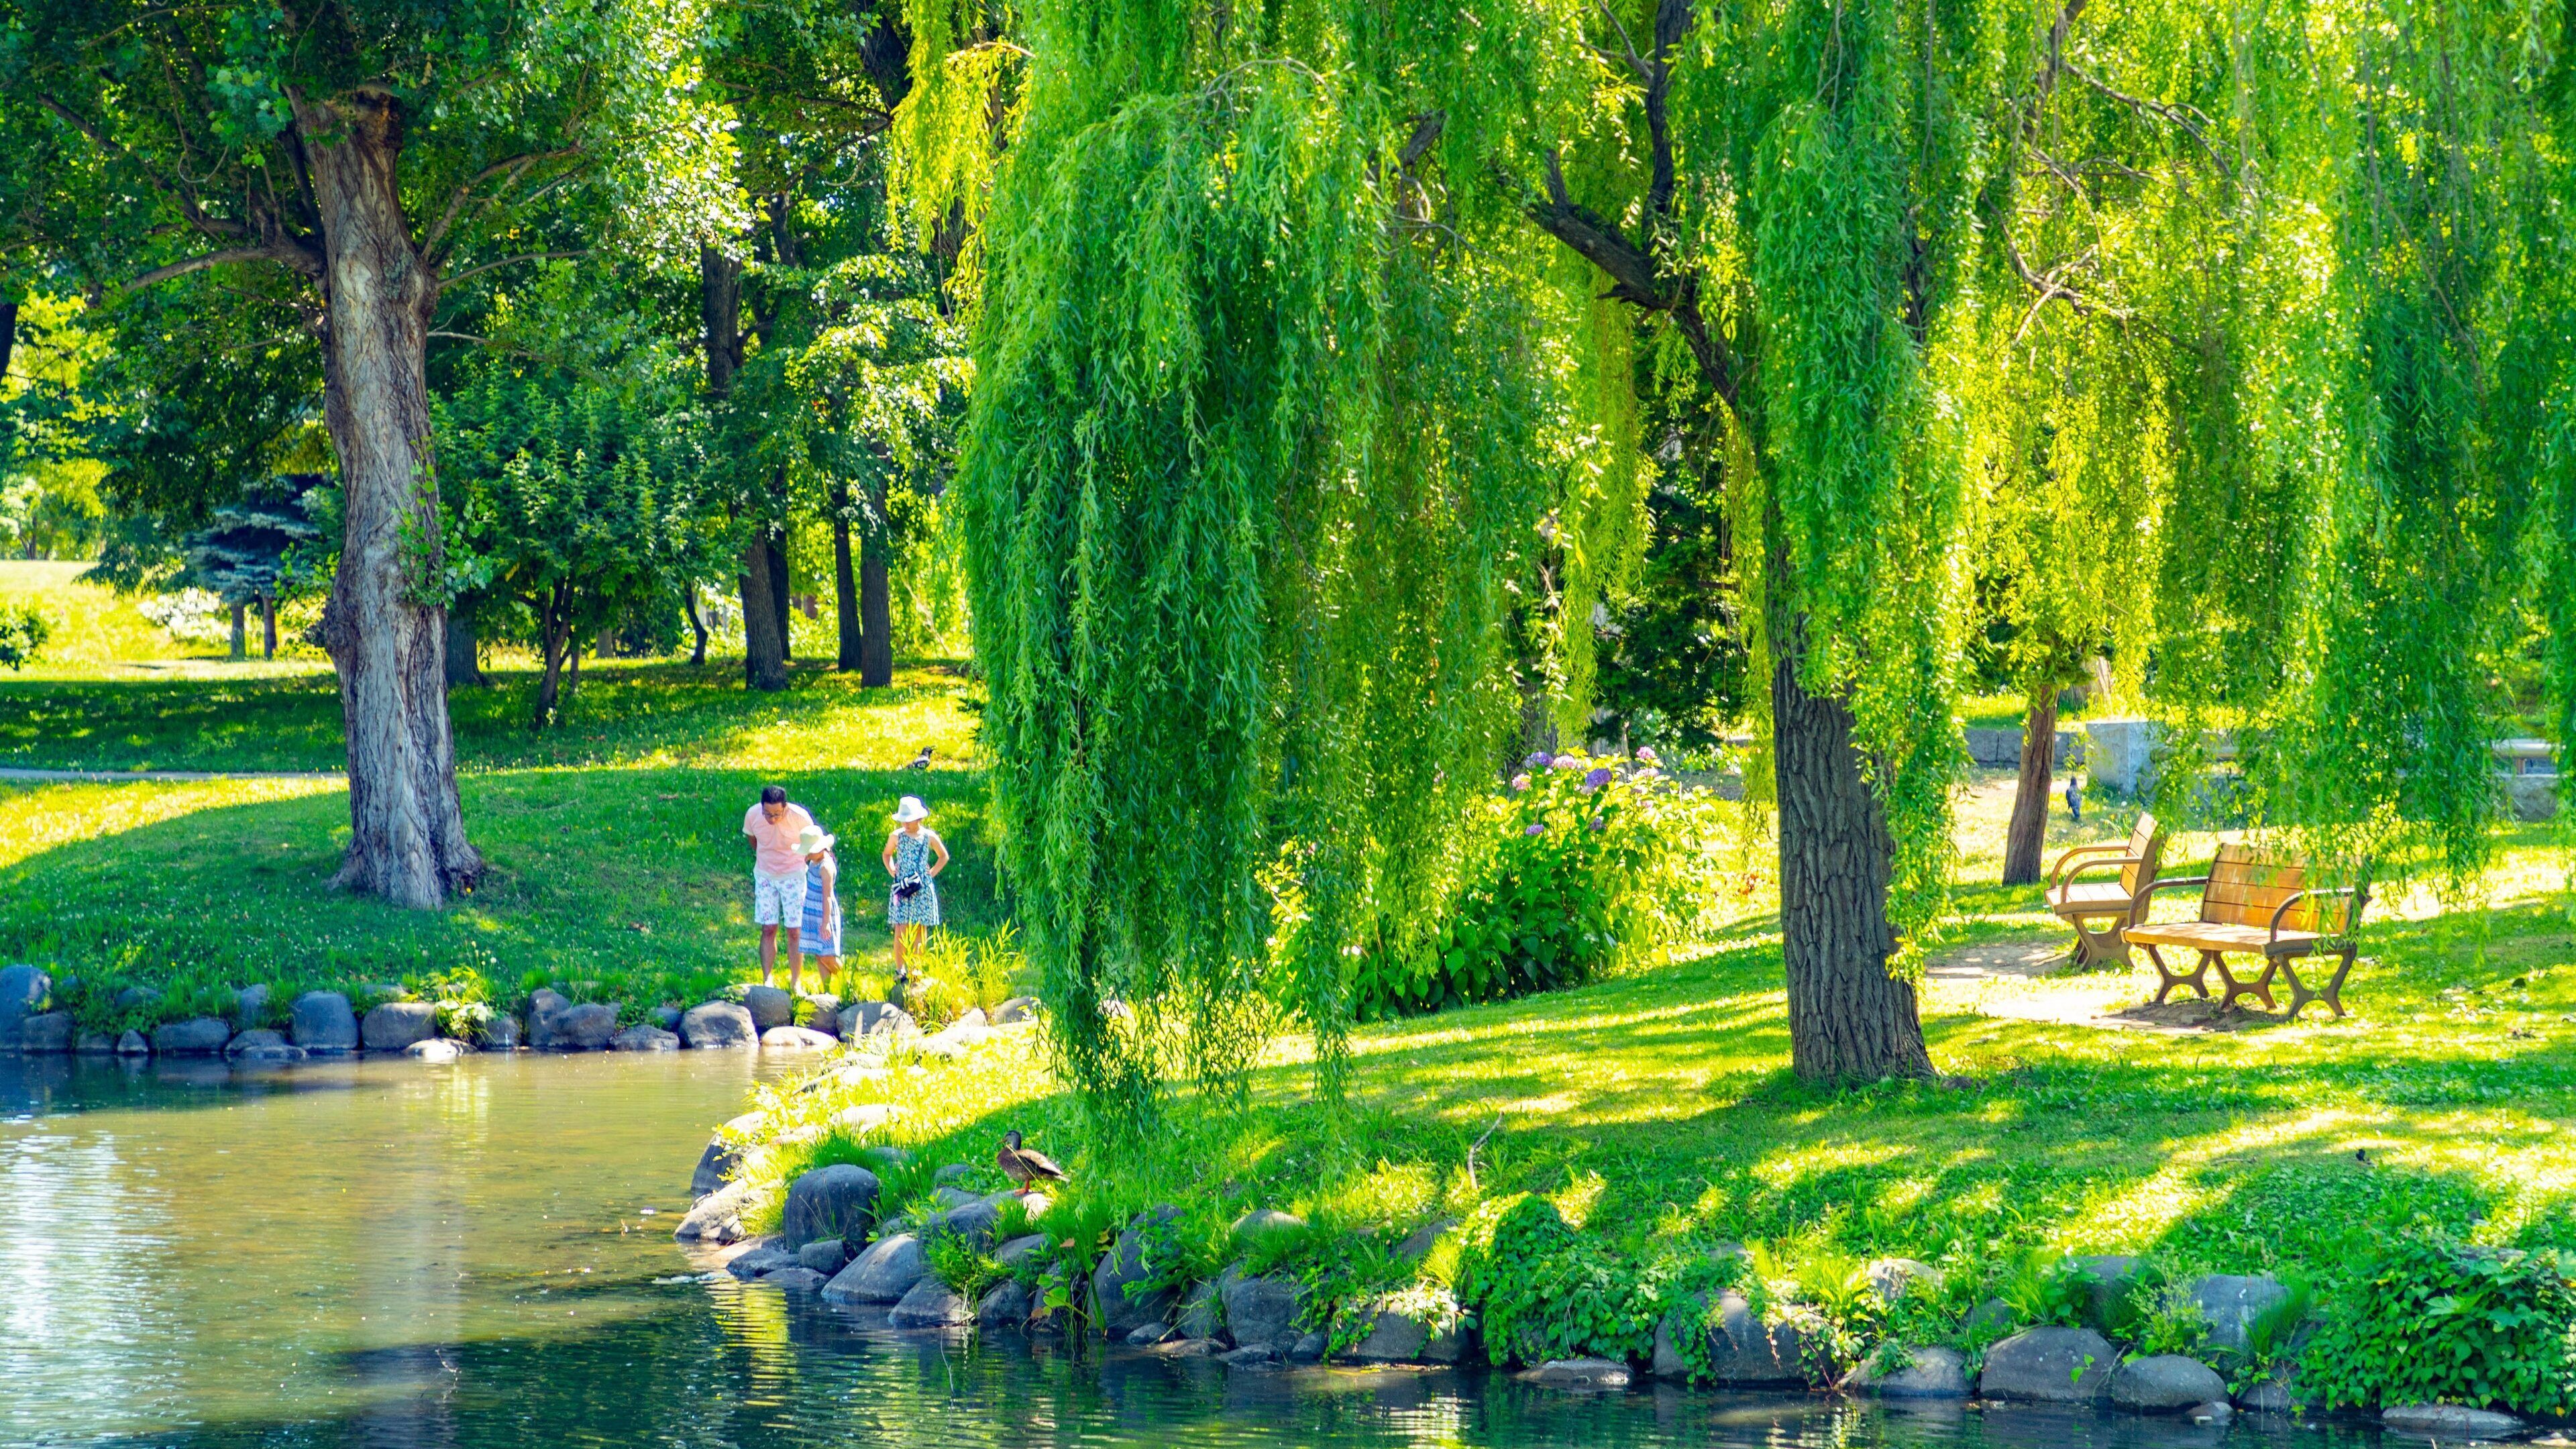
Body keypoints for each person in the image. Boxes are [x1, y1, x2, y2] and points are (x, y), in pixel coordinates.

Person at [742, 786, 815, 990]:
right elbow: (753, 840)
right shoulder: (752, 815)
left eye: (777, 814)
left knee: (795, 930)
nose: (772, 819)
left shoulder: (800, 817)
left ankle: (796, 981)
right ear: (761, 807)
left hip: (793, 877)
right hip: (765, 877)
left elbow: (812, 843)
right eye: (767, 814)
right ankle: (767, 979)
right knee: (768, 928)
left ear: (785, 807)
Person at [883, 794, 949, 985]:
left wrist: (932, 872)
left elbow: (943, 856)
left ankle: (916, 968)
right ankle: (900, 969)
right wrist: (891, 868)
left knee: (920, 927)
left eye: (909, 820)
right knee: (901, 927)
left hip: (922, 887)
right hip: (903, 886)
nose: (905, 824)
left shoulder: (928, 837)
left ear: (919, 818)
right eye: (903, 820)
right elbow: (887, 854)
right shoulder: (897, 836)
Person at [798, 823, 843, 982]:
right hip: (812, 912)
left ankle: (845, 980)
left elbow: (827, 896)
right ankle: (826, 989)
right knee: (819, 952)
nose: (808, 854)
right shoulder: (814, 862)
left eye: (810, 851)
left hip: (824, 913)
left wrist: (826, 923)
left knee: (827, 955)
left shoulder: (826, 867)